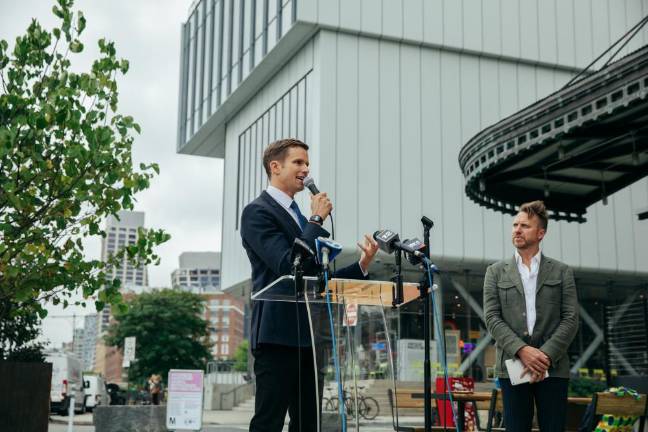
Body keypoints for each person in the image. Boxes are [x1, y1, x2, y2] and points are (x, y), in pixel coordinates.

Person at [240, 138, 379, 432]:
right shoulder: (257, 212)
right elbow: (287, 265)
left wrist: (362, 266)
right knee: (269, 421)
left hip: (310, 338)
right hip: (276, 335)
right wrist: (316, 219)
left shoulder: (298, 216)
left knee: (308, 423)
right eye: (298, 163)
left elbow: (317, 279)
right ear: (275, 167)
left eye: (307, 163)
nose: (306, 169)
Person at [483, 200, 579, 432]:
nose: (517, 229)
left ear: (540, 233)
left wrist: (543, 356)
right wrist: (523, 351)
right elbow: (492, 318)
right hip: (512, 366)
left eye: (524, 226)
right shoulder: (495, 272)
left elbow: (570, 318)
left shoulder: (561, 271)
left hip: (553, 367)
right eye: (515, 224)